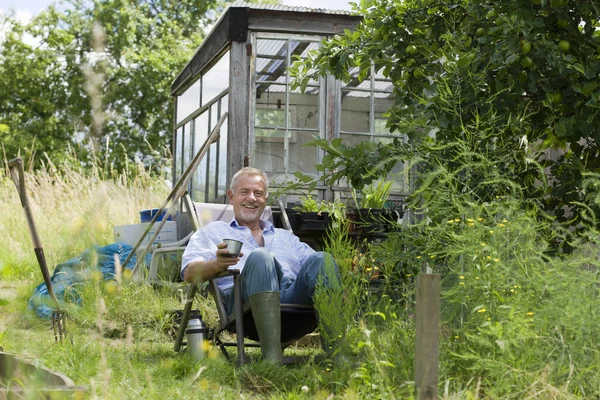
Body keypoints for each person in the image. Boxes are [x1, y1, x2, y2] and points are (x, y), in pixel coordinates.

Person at [181, 167, 338, 364]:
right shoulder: (212, 232)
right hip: (244, 306)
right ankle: (272, 359)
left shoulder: (286, 237)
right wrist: (218, 264)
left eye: (258, 193)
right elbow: (189, 272)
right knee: (261, 257)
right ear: (231, 196)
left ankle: (338, 356)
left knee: (323, 259)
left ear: (265, 200)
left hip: (295, 304)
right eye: (244, 192)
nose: (252, 198)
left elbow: (321, 271)